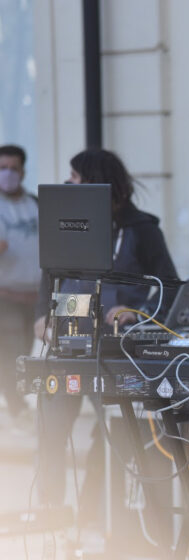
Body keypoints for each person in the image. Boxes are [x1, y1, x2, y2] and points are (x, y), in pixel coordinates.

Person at [34, 148, 179, 511]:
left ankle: (95, 513)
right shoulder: (68, 222)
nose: (68, 184)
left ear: (96, 182)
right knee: (51, 430)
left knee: (111, 435)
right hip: (67, 344)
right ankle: (50, 512)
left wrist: (140, 315)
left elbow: (170, 285)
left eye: (75, 178)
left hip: (116, 349)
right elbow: (50, 273)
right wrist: (42, 316)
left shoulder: (141, 229)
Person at [0, 144, 40, 419]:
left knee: (25, 351)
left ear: (23, 171)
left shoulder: (35, 204)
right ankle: (17, 408)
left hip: (35, 295)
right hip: (5, 296)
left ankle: (19, 404)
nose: (8, 174)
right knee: (11, 352)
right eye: (2, 168)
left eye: (13, 168)